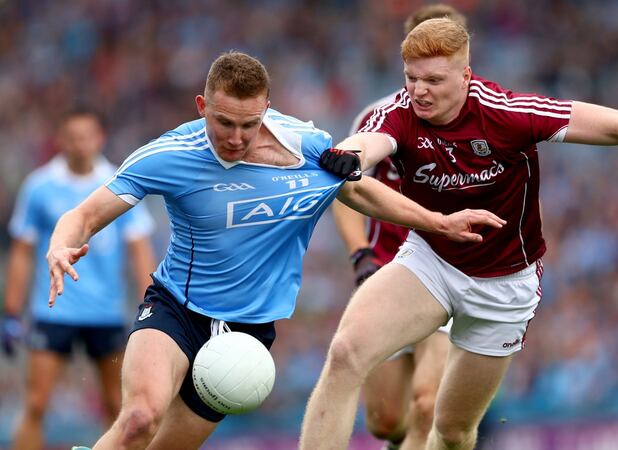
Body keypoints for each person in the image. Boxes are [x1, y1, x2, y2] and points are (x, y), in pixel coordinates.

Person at [299, 18, 618, 450]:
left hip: (503, 286)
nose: (419, 90)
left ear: (466, 77)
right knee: (346, 353)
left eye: (433, 79)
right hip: (430, 264)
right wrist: (351, 156)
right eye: (411, 79)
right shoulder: (403, 113)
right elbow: (368, 141)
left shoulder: (507, 113)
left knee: (451, 433)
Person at [45, 51, 504, 450]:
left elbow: (357, 192)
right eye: (223, 122)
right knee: (140, 420)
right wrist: (60, 247)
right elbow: (84, 215)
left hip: (248, 334)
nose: (236, 137)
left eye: (249, 123)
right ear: (202, 106)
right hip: (176, 309)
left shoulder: (307, 148)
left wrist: (437, 222)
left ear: (267, 108)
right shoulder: (169, 155)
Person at [330, 4, 467, 450]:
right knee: (388, 420)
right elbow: (345, 192)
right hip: (394, 272)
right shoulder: (379, 119)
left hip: (456, 274)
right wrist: (360, 255)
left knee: (430, 405)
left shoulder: (488, 117)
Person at [1, 109, 156, 450]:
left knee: (120, 408)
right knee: (36, 403)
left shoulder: (119, 181)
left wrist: (153, 305)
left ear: (100, 138)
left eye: (86, 136)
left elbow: (139, 248)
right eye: (72, 137)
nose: (79, 144)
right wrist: (11, 311)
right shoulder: (40, 186)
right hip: (54, 309)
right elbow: (23, 250)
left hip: (107, 312)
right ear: (61, 140)